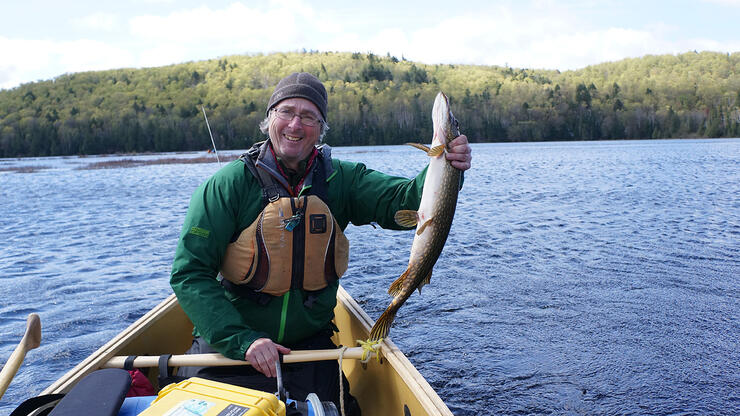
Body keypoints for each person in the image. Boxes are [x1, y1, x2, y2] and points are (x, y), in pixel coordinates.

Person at [170, 72, 472, 414]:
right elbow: (190, 274)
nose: (295, 125)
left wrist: (449, 167)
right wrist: (245, 341)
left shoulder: (342, 179)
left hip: (309, 350)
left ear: (321, 127)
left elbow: (408, 202)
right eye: (286, 112)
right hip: (228, 348)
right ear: (269, 118)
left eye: (309, 116)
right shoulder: (228, 185)